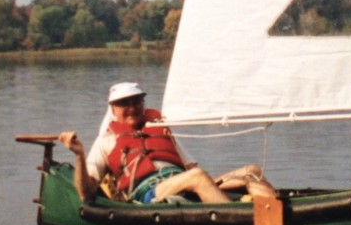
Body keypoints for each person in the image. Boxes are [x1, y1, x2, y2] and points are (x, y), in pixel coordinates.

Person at [58, 81, 274, 205]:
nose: (132, 107)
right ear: (113, 109)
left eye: (136, 101)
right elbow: (86, 194)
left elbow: (192, 168)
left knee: (252, 171)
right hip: (149, 193)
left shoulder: (159, 128)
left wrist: (222, 183)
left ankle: (279, 216)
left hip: (182, 181)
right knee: (197, 178)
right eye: (124, 103)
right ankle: (242, 224)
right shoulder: (106, 141)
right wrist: (78, 154)